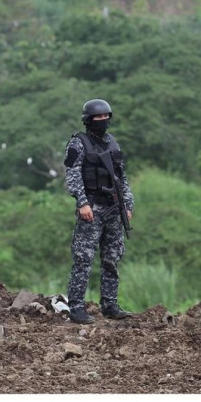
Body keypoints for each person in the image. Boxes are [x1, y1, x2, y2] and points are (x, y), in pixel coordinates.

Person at [64, 98, 134, 324]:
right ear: (88, 120)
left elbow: (122, 178)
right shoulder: (78, 143)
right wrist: (82, 203)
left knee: (112, 257)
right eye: (98, 117)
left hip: (114, 207)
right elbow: (72, 175)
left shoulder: (113, 143)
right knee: (83, 258)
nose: (103, 120)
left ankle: (110, 304)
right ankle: (76, 307)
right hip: (91, 208)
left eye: (106, 117)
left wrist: (128, 205)